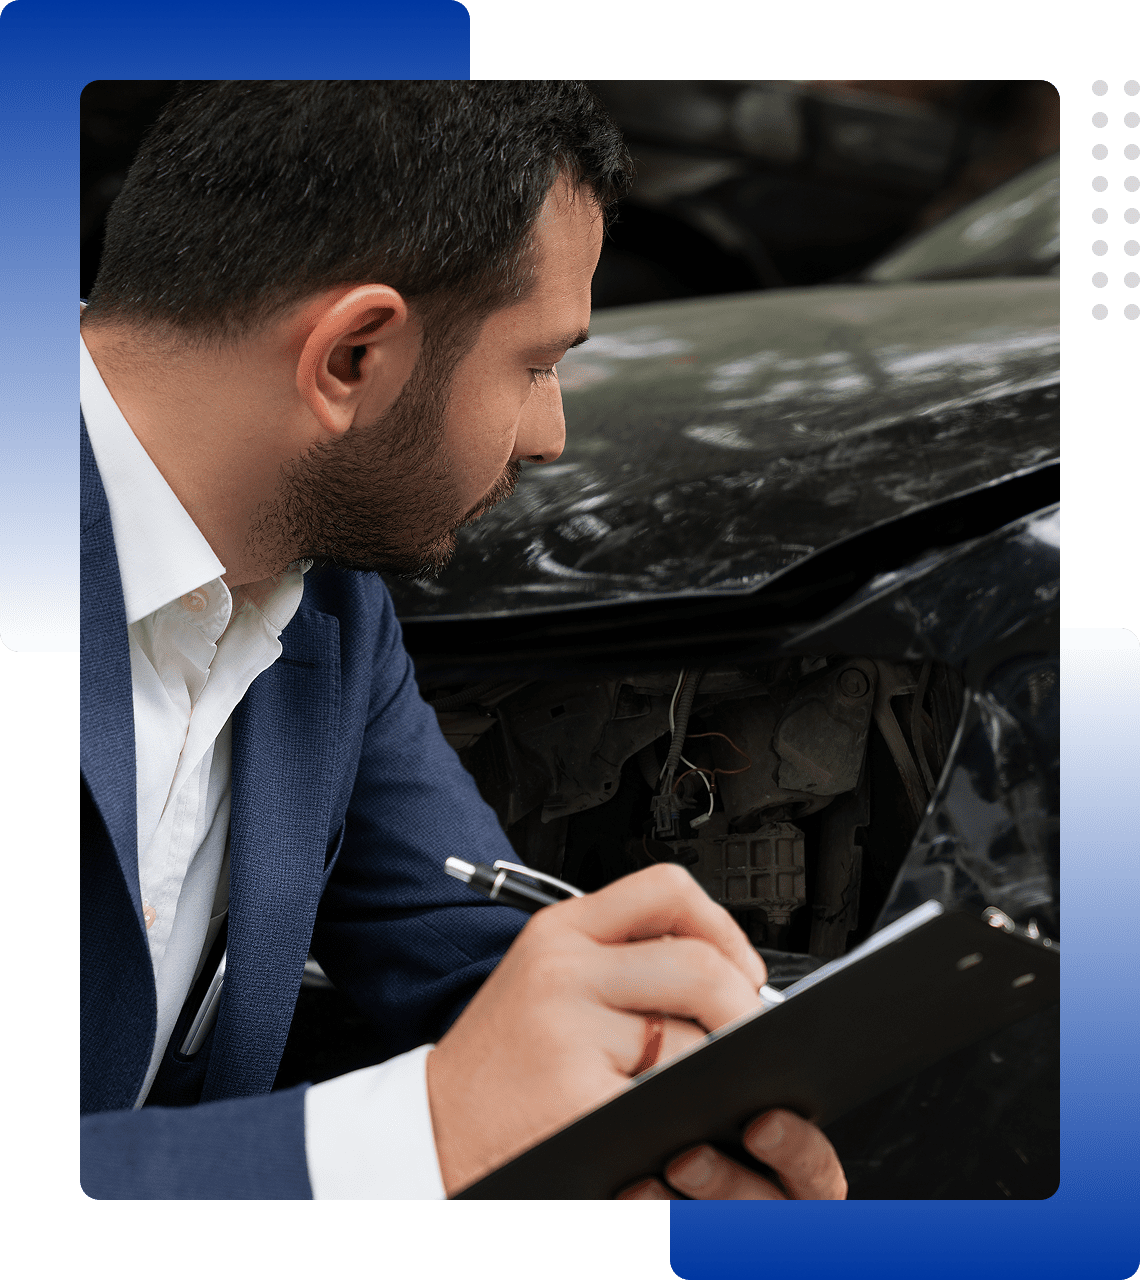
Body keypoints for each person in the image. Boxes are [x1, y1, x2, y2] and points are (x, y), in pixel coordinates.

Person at [79, 80, 847, 1201]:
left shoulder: (331, 611)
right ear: (353, 357)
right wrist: (429, 1131)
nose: (552, 433)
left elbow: (471, 949)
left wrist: (683, 1096)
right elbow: (458, 1100)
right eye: (537, 363)